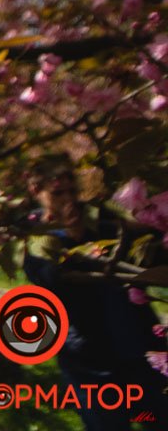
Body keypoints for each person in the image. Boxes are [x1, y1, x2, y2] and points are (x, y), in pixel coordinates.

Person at [23, 160, 168, 430]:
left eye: (71, 192)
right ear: (36, 191)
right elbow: (45, 276)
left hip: (138, 347)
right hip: (89, 359)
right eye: (57, 193)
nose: (68, 200)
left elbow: (143, 240)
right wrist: (74, 240)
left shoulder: (102, 225)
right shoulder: (35, 239)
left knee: (158, 418)